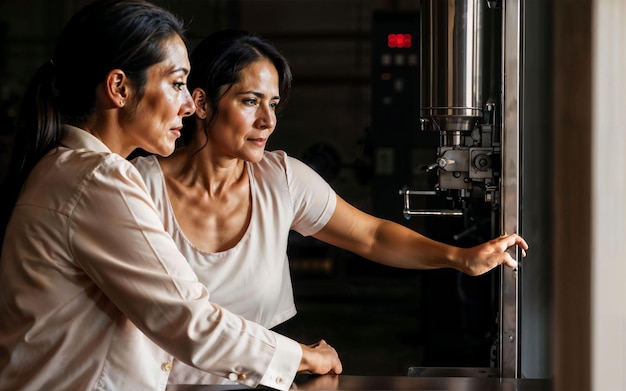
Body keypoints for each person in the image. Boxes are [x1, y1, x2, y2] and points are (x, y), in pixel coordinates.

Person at [132, 29, 529, 385]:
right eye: (250, 101)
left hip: (261, 384)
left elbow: (372, 236)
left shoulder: (281, 178)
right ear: (201, 103)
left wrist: (460, 257)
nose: (268, 120)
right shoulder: (138, 186)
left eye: (274, 104)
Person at [0, 2, 341, 391]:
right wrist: (301, 356)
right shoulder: (99, 178)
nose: (187, 104)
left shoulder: (64, 168)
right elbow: (189, 320)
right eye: (177, 83)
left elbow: (161, 334)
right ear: (120, 88)